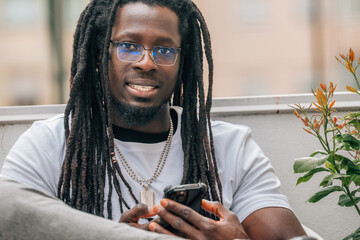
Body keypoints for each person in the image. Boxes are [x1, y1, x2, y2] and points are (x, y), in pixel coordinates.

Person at [0, 0, 307, 239]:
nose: (146, 62)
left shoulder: (229, 146)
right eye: (128, 46)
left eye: (163, 50)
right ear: (97, 55)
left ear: (182, 62)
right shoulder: (48, 143)